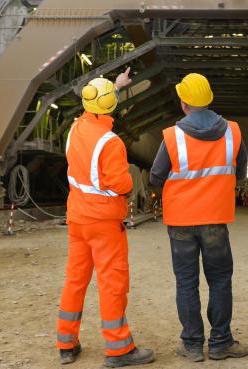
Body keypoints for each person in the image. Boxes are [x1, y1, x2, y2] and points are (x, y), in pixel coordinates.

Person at [57, 68, 154, 367]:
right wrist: (126, 179)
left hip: (77, 219)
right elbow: (121, 184)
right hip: (103, 223)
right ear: (111, 105)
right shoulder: (111, 142)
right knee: (112, 284)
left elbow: (96, 101)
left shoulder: (75, 129)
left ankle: (66, 344)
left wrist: (116, 86)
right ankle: (119, 349)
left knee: (75, 280)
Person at [150, 73, 248, 362]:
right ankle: (221, 343)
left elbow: (156, 175)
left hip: (180, 221)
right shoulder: (233, 132)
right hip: (215, 221)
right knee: (220, 280)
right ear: (209, 99)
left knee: (186, 282)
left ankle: (192, 345)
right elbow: (241, 172)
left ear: (184, 103)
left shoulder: (172, 136)